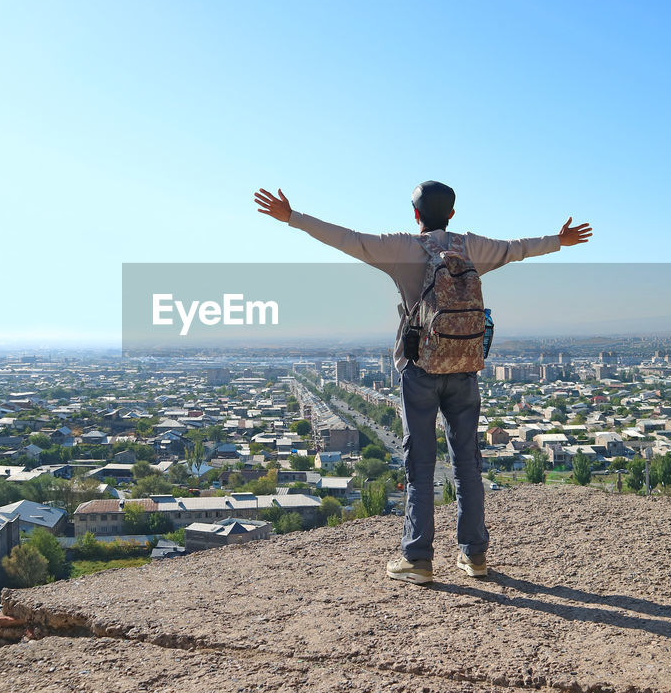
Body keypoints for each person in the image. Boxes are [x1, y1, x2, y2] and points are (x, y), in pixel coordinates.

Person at [254, 182, 592, 583]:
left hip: (419, 368)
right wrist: (559, 240)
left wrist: (293, 218)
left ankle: (418, 559)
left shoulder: (402, 248)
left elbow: (348, 239)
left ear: (415, 216)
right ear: (451, 214)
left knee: (421, 463)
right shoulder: (471, 247)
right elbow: (515, 248)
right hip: (465, 366)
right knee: (467, 462)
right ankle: (475, 556)